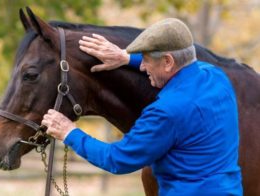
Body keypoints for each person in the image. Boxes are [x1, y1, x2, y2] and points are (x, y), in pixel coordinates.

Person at [41, 18, 243, 195]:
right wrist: (125, 57)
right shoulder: (217, 77)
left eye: (146, 60)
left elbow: (117, 159)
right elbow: (180, 63)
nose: (143, 66)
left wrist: (70, 133)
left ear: (167, 62)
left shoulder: (166, 111)